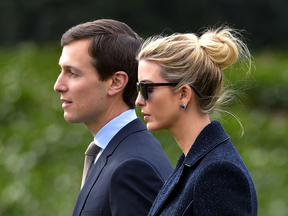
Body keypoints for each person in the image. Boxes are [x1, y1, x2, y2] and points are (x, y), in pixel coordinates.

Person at [54, 19, 173, 216]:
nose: (58, 85)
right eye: (61, 71)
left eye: (72, 73)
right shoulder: (118, 152)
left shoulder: (133, 167)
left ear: (116, 82)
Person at [135, 26, 258, 215]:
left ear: (183, 94)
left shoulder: (218, 173)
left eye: (146, 88)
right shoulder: (193, 164)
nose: (138, 100)